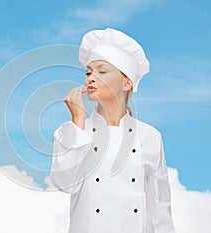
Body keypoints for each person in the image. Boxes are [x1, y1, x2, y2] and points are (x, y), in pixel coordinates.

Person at [50, 28, 176, 233]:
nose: (90, 78)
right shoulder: (74, 130)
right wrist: (78, 121)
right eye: (88, 72)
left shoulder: (150, 137)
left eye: (102, 71)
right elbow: (65, 184)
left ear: (127, 83)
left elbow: (160, 208)